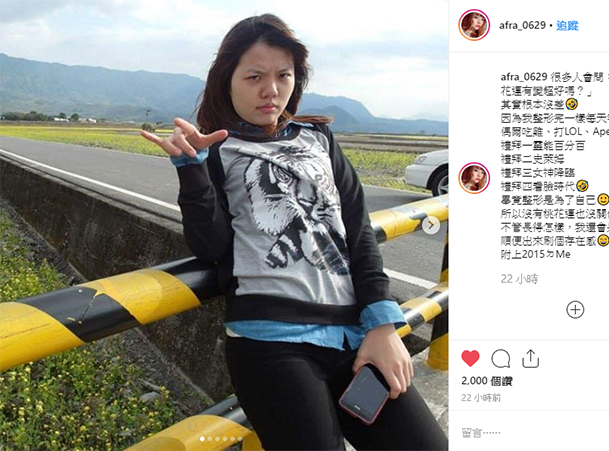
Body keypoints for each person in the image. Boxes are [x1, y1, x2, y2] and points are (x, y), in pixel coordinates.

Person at [141, 14, 447, 451]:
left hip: (355, 336)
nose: (271, 89)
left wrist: (383, 326)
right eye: (254, 77)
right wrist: (191, 169)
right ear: (226, 79)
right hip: (271, 343)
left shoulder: (318, 138)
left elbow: (357, 232)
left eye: (283, 75)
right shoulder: (215, 149)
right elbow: (211, 247)